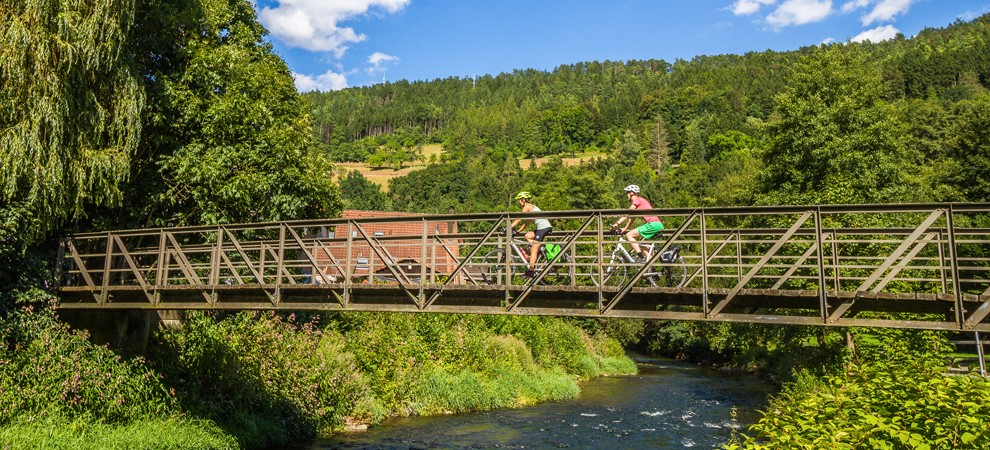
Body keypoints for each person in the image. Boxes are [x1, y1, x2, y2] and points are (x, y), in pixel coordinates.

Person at [611, 184, 664, 263]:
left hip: (653, 224)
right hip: (657, 225)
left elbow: (627, 214)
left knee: (629, 235)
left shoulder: (637, 200)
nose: (626, 195)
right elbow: (632, 217)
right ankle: (650, 270)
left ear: (632, 193)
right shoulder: (641, 201)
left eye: (627, 193)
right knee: (644, 246)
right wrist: (625, 228)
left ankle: (640, 257)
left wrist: (616, 224)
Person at [510, 191, 552, 278]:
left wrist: (509, 227)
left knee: (533, 249)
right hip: (542, 228)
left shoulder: (527, 207)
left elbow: (518, 220)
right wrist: (518, 231)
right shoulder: (532, 207)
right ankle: (539, 248)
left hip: (543, 228)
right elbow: (527, 222)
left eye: (519, 201)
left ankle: (530, 271)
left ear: (523, 200)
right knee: (527, 236)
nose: (519, 203)